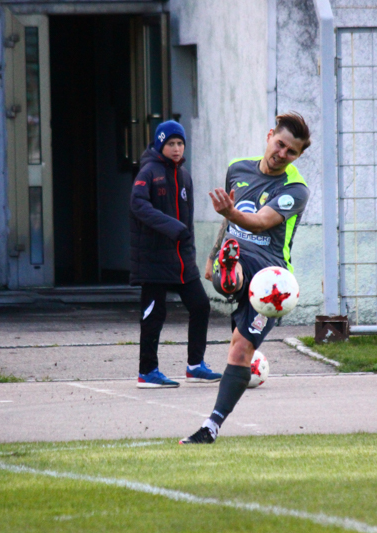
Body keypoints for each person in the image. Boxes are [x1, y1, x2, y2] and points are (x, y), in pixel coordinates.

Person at [180, 112, 311, 444]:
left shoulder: (295, 188)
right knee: (234, 257)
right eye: (280, 144)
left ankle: (210, 428)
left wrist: (230, 213)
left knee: (239, 351)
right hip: (237, 253)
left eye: (291, 152)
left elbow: (261, 222)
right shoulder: (237, 168)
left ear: (297, 156)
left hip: (272, 279)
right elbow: (229, 220)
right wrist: (212, 254)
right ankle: (230, 272)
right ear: (269, 136)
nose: (282, 154)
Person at [129, 120, 221, 388]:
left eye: (180, 143)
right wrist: (173, 228)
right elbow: (138, 205)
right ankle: (147, 372)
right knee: (154, 314)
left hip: (181, 260)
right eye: (171, 143)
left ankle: (195, 366)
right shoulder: (148, 171)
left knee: (200, 306)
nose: (177, 148)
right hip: (154, 259)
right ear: (161, 144)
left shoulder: (185, 176)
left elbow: (187, 222)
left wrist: (189, 249)